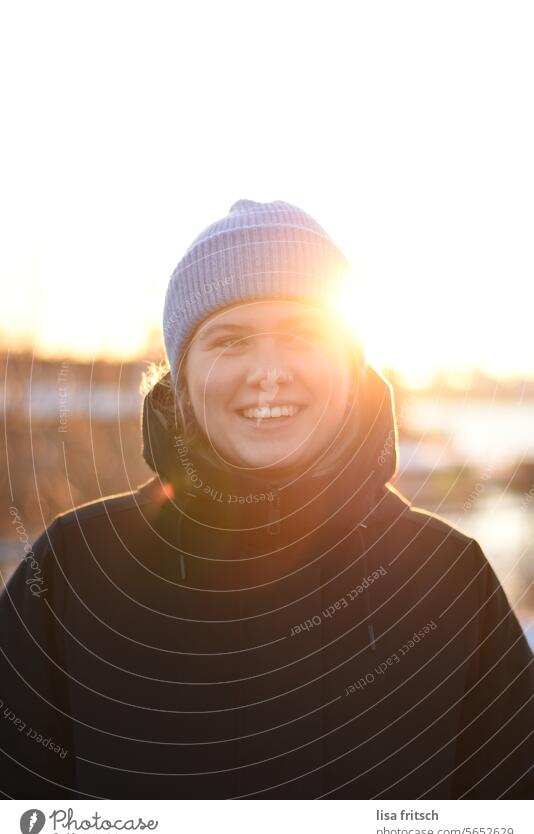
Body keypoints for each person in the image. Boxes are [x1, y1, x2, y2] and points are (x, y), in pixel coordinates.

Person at [1, 199, 533, 800]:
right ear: (181, 376)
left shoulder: (446, 577)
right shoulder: (77, 568)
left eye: (304, 335)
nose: (268, 373)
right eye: (230, 342)